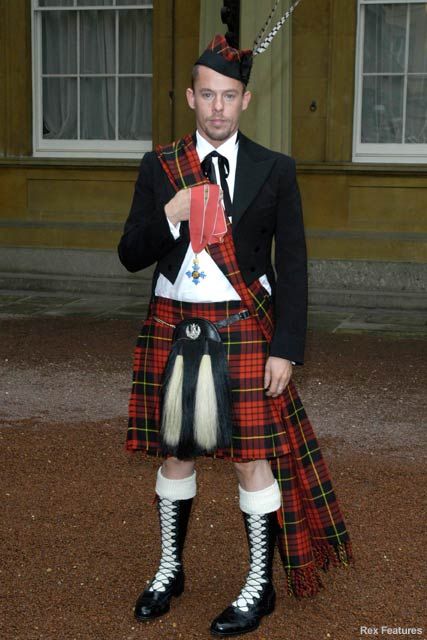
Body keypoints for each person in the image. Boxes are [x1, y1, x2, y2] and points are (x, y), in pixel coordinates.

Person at [118, 31, 352, 638]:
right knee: (175, 452)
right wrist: (171, 212)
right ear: (191, 98)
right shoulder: (159, 167)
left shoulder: (276, 169)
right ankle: (170, 569)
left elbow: (293, 264)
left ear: (246, 101)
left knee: (254, 459)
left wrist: (287, 349)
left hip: (245, 327)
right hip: (174, 326)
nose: (218, 107)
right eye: (207, 95)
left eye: (229, 96)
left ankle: (259, 584)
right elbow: (128, 254)